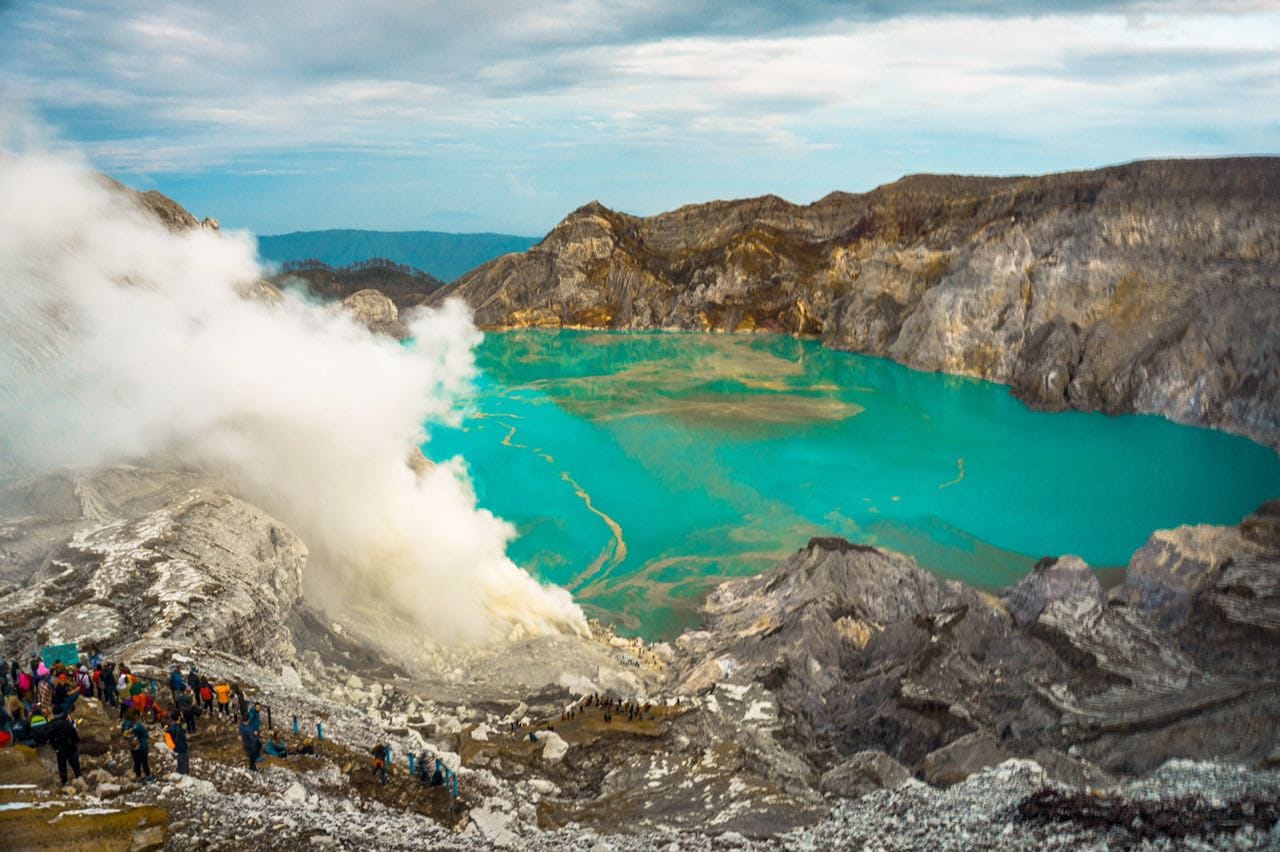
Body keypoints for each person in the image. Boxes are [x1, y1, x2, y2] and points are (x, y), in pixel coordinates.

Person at [49, 710, 81, 785]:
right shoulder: (67, 724)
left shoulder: (53, 725)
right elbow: (74, 733)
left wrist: (55, 746)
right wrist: (76, 741)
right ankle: (78, 776)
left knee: (62, 765)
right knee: (74, 762)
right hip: (70, 746)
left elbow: (50, 737)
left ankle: (64, 780)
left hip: (60, 748)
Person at [122, 714, 151, 780]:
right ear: (134, 717)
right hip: (142, 745)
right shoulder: (138, 726)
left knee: (136, 762)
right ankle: (148, 777)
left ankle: (139, 777)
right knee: (144, 761)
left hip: (132, 746)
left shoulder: (124, 725)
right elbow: (146, 735)